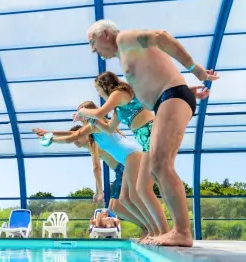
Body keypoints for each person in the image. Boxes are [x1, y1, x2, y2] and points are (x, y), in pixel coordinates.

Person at [86, 19, 218, 246]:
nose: (92, 49)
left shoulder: (124, 38)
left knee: (160, 166)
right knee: (157, 170)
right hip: (169, 97)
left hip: (171, 96)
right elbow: (153, 77)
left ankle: (182, 231)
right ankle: (174, 230)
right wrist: (188, 89)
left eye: (92, 42)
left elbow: (161, 36)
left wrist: (194, 69)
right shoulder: (126, 55)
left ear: (105, 33)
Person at [75, 71, 210, 243]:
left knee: (149, 185)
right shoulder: (118, 108)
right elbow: (109, 128)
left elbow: (101, 111)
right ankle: (159, 231)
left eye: (98, 89)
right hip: (145, 140)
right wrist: (92, 121)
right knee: (140, 190)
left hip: (151, 131)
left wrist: (83, 112)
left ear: (104, 85)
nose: (98, 93)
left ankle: (165, 231)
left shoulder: (119, 92)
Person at [34, 101, 163, 239]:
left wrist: (52, 139)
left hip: (131, 157)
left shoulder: (97, 125)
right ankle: (150, 229)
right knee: (123, 201)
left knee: (134, 197)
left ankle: (157, 230)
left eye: (80, 111)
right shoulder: (92, 129)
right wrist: (49, 133)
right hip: (126, 160)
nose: (77, 114)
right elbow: (74, 134)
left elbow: (75, 141)